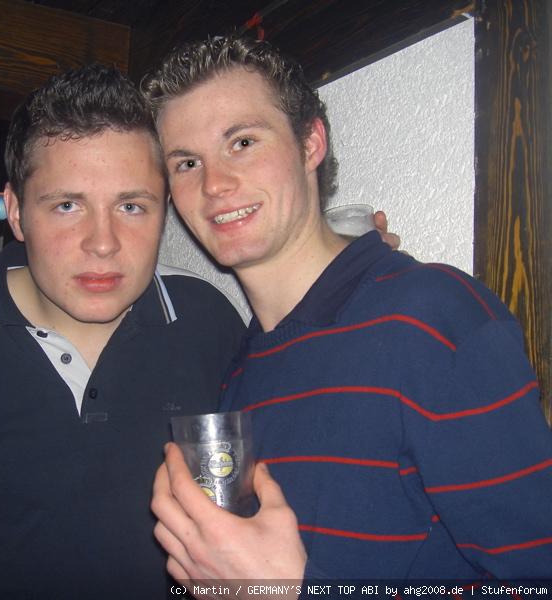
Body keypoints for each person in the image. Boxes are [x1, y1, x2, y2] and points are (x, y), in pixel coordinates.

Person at [144, 35, 552, 590]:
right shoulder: (242, 367)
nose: (214, 184)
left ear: (310, 143)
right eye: (187, 162)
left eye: (242, 142)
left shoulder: (435, 319)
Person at [0, 64, 249, 599]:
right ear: (16, 212)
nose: (103, 242)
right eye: (67, 205)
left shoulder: (208, 322)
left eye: (131, 206)